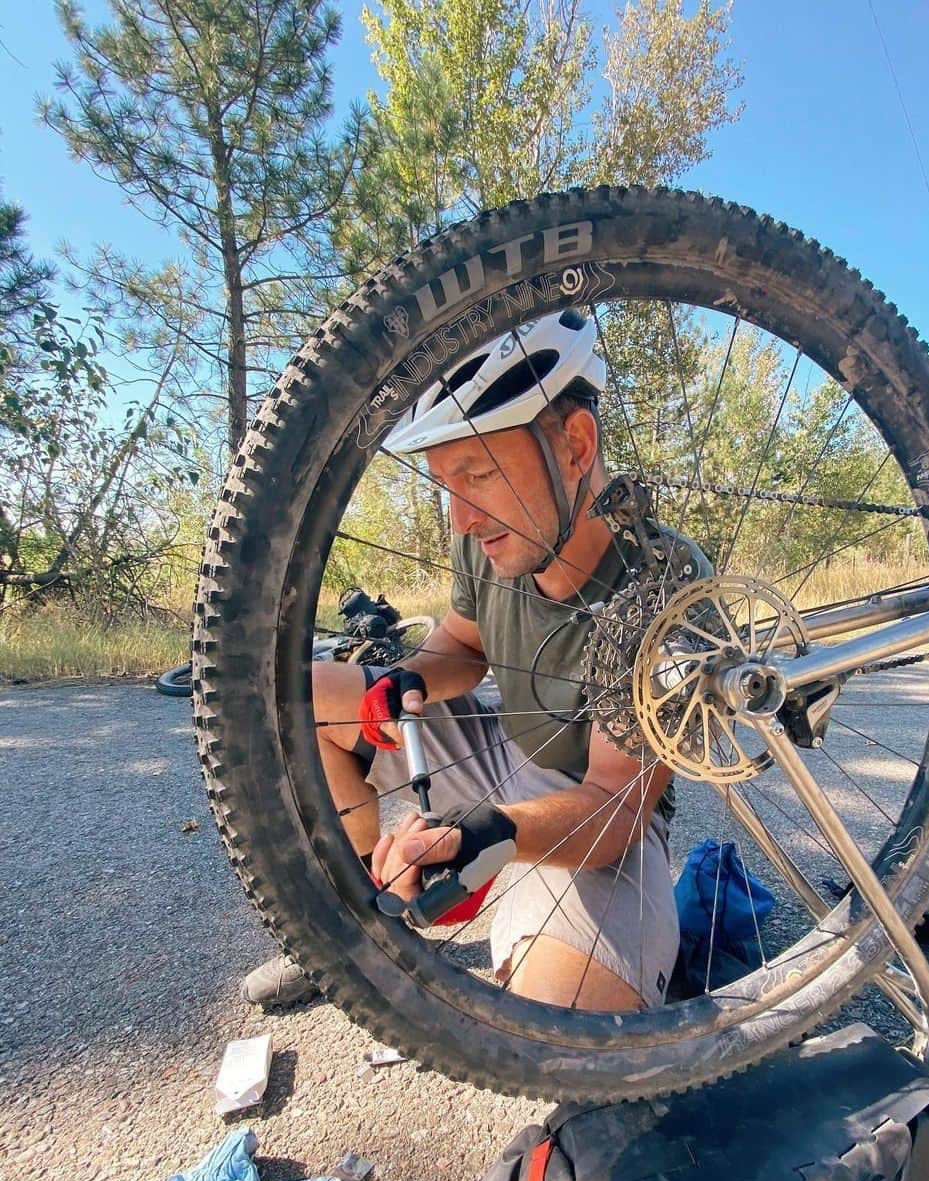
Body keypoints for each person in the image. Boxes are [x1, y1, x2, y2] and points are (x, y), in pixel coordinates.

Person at [243, 309, 704, 1013]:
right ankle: (355, 926)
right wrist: (408, 680)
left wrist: (497, 833)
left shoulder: (664, 581)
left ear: (576, 445)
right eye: (443, 485)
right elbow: (461, 644)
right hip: (498, 749)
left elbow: (614, 805)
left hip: (599, 812)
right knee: (303, 695)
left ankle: (512, 886)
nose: (458, 518)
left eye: (478, 474)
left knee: (563, 1024)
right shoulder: (486, 542)